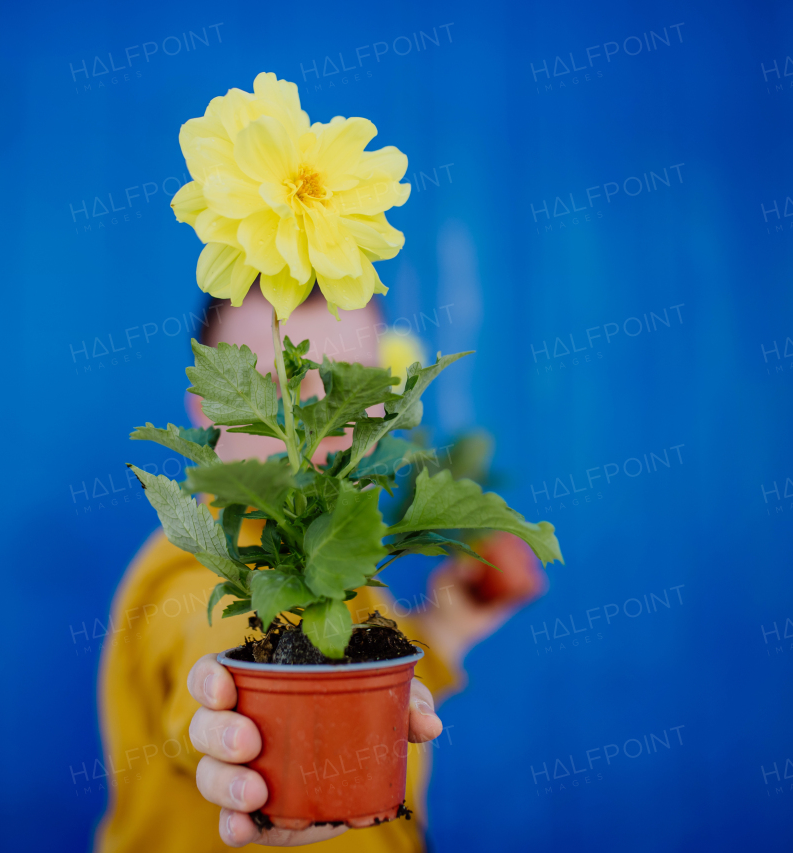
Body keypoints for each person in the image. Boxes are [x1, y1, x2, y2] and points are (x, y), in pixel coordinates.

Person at [94, 293, 545, 851]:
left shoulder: (334, 548)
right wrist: (229, 737)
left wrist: (446, 631)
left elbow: (344, 661)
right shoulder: (193, 573)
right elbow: (214, 660)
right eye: (274, 390)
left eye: (345, 389)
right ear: (205, 407)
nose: (310, 428)